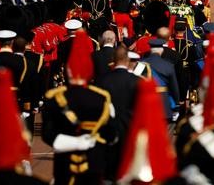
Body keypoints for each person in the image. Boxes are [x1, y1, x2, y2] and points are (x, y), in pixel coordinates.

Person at [41, 30, 115, 185]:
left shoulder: (55, 98)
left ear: (68, 71)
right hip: (94, 163)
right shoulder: (102, 98)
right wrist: (90, 142)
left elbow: (48, 135)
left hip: (64, 164)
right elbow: (111, 134)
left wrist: (73, 142)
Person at [96, 46, 142, 179]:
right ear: (127, 60)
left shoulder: (102, 80)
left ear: (113, 60)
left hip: (108, 129)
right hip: (130, 128)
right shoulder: (137, 81)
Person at [142, 38, 180, 121]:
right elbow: (174, 87)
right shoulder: (168, 65)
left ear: (150, 50)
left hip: (146, 102)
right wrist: (176, 103)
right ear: (161, 50)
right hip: (164, 103)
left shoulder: (141, 64)